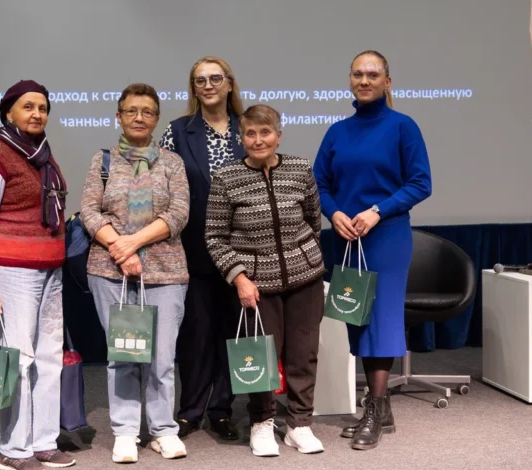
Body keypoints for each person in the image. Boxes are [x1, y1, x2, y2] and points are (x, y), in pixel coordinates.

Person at [313, 50, 433, 451]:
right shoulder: (337, 132)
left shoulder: (403, 126)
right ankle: (383, 410)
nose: (364, 81)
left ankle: (374, 409)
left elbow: (421, 183)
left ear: (387, 82)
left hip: (386, 238)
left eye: (372, 74)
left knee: (380, 320)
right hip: (346, 238)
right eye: (357, 74)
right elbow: (319, 185)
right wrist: (335, 214)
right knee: (356, 318)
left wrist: (377, 211)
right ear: (350, 80)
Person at [205, 104, 327, 457]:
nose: (258, 140)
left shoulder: (300, 168)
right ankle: (262, 422)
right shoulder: (226, 178)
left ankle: (300, 424)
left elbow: (313, 222)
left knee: (303, 355)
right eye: (250, 134)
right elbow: (215, 237)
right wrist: (239, 277)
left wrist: (307, 259)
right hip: (255, 287)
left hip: (305, 280)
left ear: (278, 135)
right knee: (260, 358)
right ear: (241, 138)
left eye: (265, 132)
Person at [79, 83, 190, 463]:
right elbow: (89, 211)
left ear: (156, 118)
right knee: (123, 354)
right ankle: (125, 432)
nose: (139, 117)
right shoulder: (103, 161)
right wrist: (120, 249)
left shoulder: (172, 162)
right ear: (119, 116)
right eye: (131, 111)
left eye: (147, 111)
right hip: (109, 271)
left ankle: (163, 430)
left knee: (162, 357)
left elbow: (179, 213)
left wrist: (133, 243)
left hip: (166, 272)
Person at [0, 80, 76, 469]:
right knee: (20, 359)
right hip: (15, 272)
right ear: (9, 112)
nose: (37, 113)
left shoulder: (42, 154)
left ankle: (44, 442)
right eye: (28, 106)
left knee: (48, 358)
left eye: (43, 108)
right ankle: (14, 449)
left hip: (50, 271)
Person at [158, 56, 245, 440]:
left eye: (215, 78)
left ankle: (221, 410)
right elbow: (161, 185)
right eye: (200, 80)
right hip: (192, 249)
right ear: (193, 88)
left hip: (243, 249)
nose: (208, 85)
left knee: (233, 332)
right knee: (196, 333)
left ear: (229, 84)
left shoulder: (248, 127)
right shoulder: (178, 131)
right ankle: (191, 410)